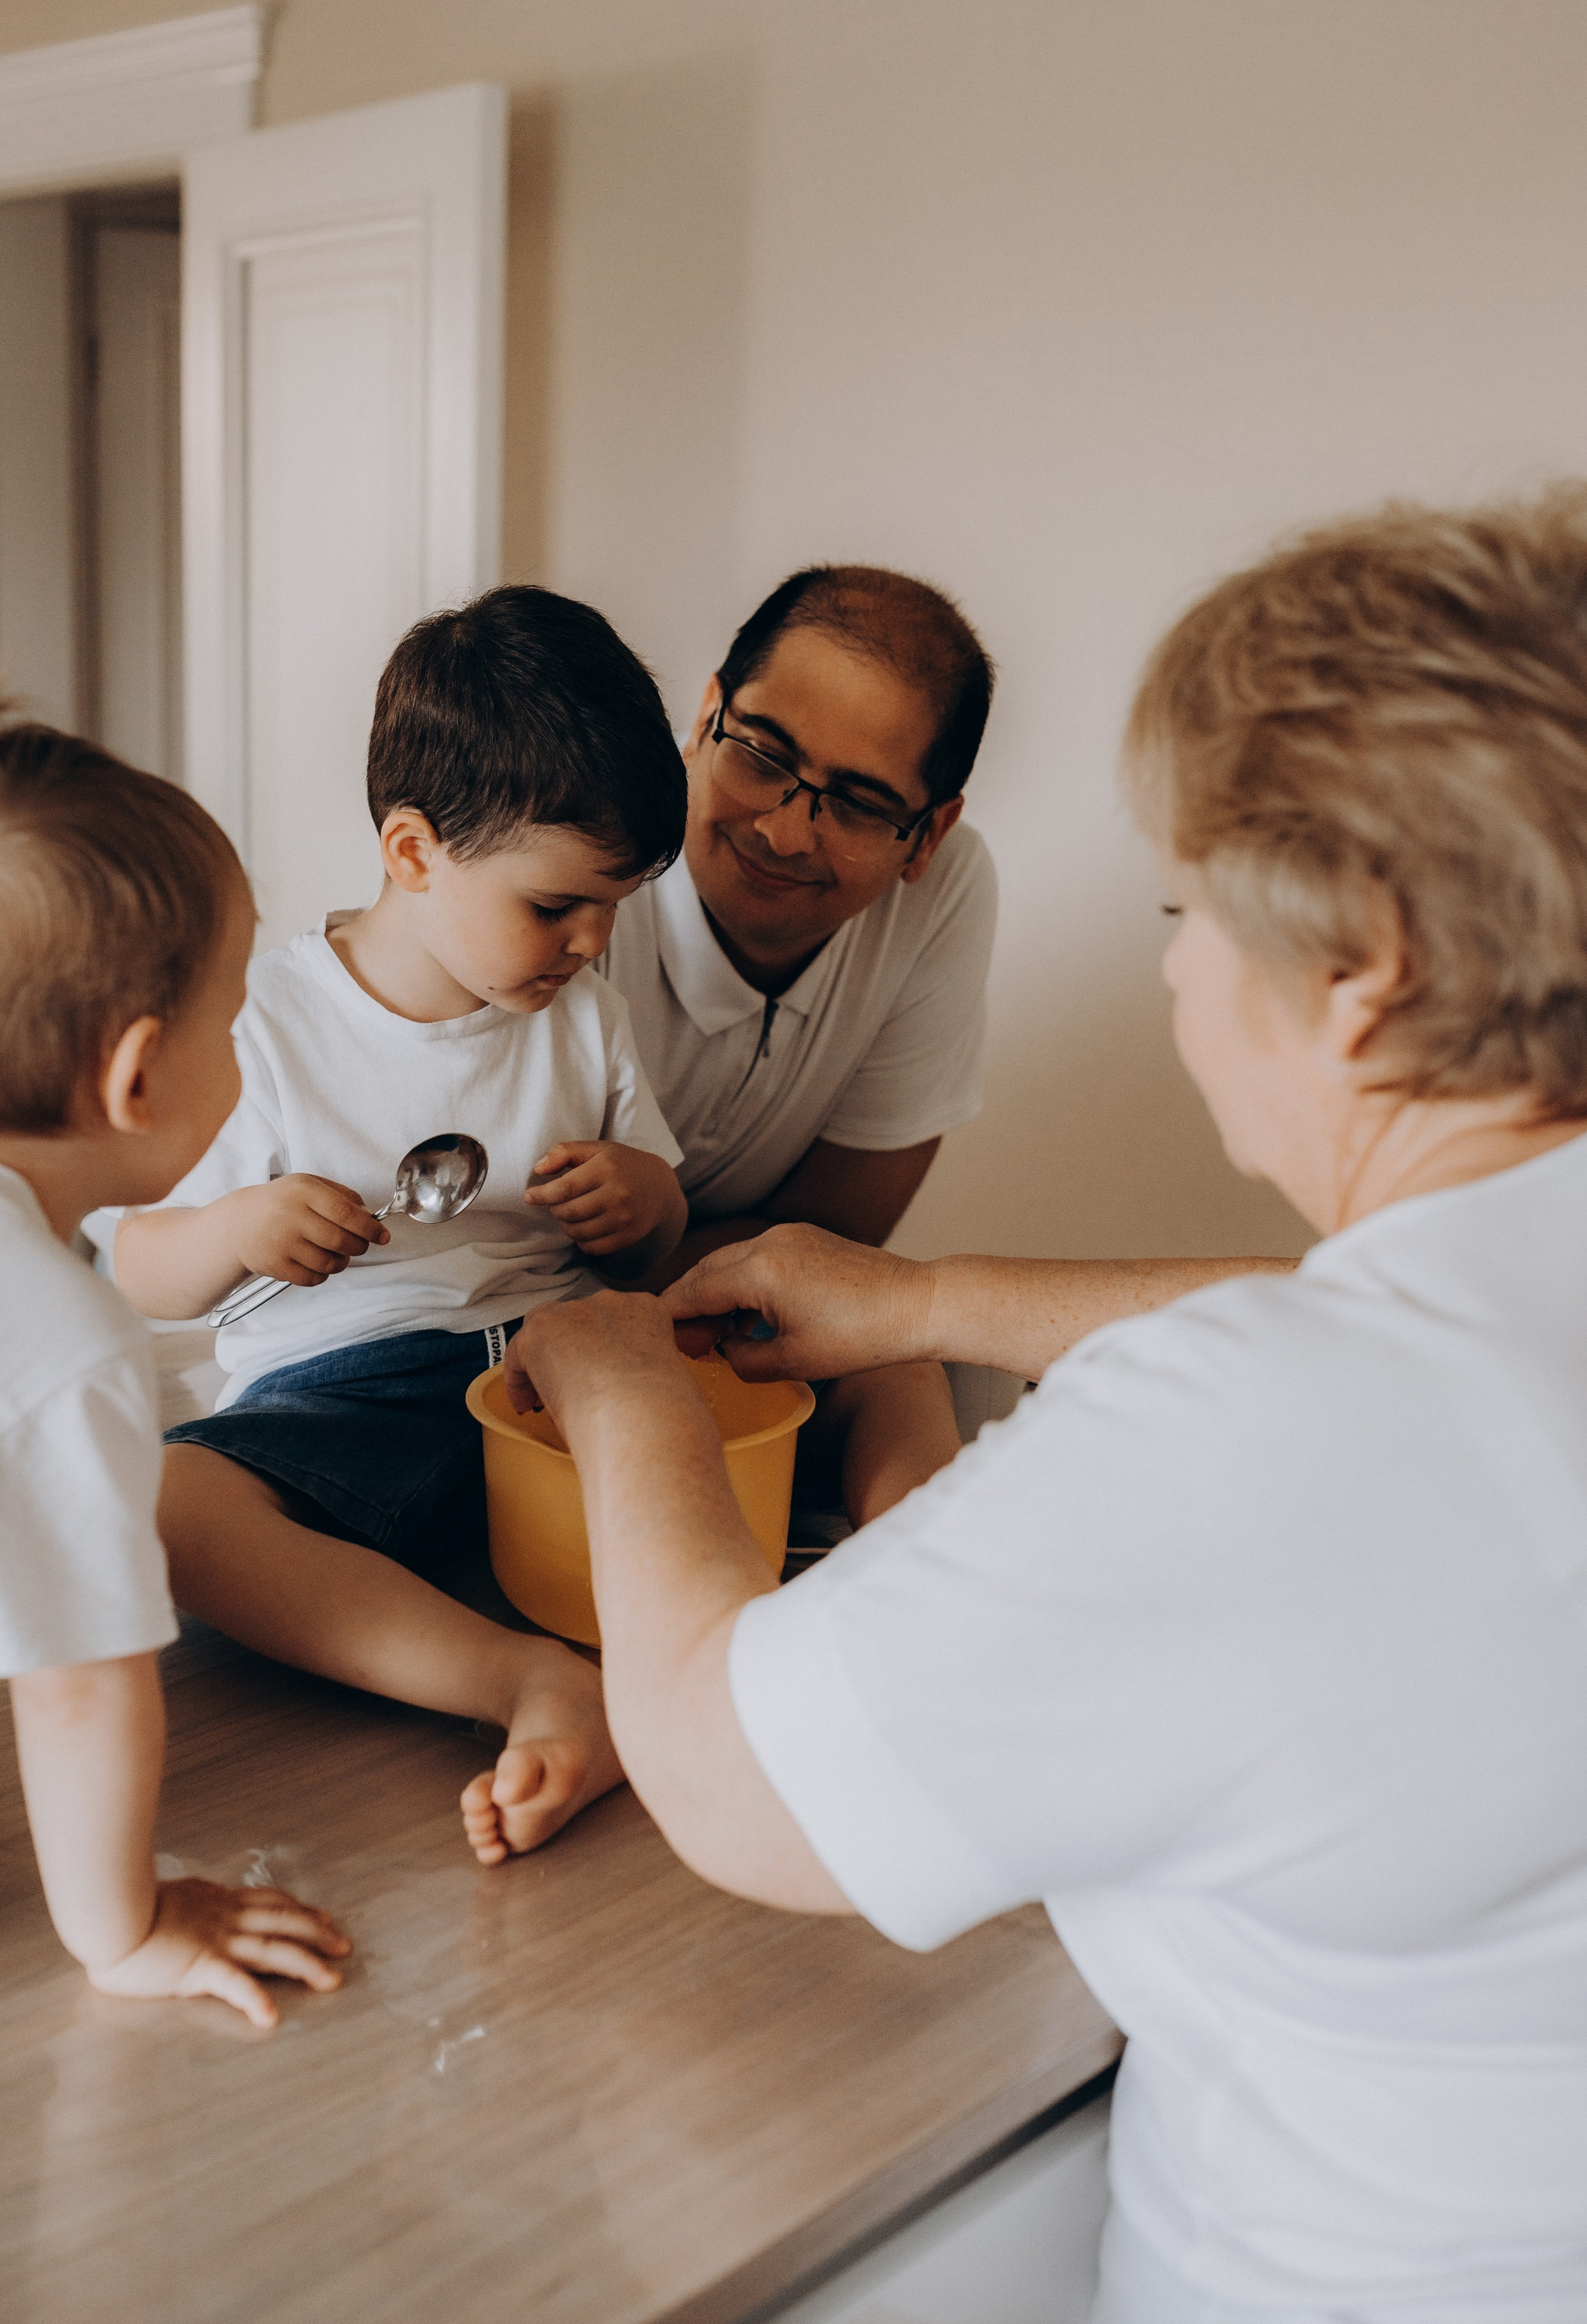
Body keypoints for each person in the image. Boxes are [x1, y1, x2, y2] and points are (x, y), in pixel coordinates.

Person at [503, 493, 1587, 2322]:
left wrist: (620, 1393)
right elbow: (1375, 1328)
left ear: (1364, 968)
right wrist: (923, 1302)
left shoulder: (1252, 1442)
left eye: (1190, 909)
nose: (1171, 965)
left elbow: (729, 1772)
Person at [101, 587, 689, 1867]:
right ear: (414, 851)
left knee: (723, 1377)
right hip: (347, 1384)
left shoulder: (579, 1014)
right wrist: (240, 1226)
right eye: (557, 906)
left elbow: (658, 1236)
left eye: (617, 907)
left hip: (555, 1360)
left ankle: (716, 1668)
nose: (592, 942)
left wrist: (643, 1201)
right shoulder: (260, 1019)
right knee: (173, 1505)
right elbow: (138, 1266)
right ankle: (525, 1680)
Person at [602, 563, 1285, 1539]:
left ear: (927, 837)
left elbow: (825, 1258)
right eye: (759, 751)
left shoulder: (948, 892)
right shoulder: (582, 854)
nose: (787, 829)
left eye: (862, 803)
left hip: (722, 1323)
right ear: (704, 716)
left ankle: (916, 1599)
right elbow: (508, 1245)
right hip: (503, 1318)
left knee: (898, 1355)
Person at [1, 721, 351, 2027]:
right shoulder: (62, 1334)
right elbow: (80, 1680)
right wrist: (128, 1923)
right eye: (236, 1011)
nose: (248, 1043)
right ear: (139, 1075)